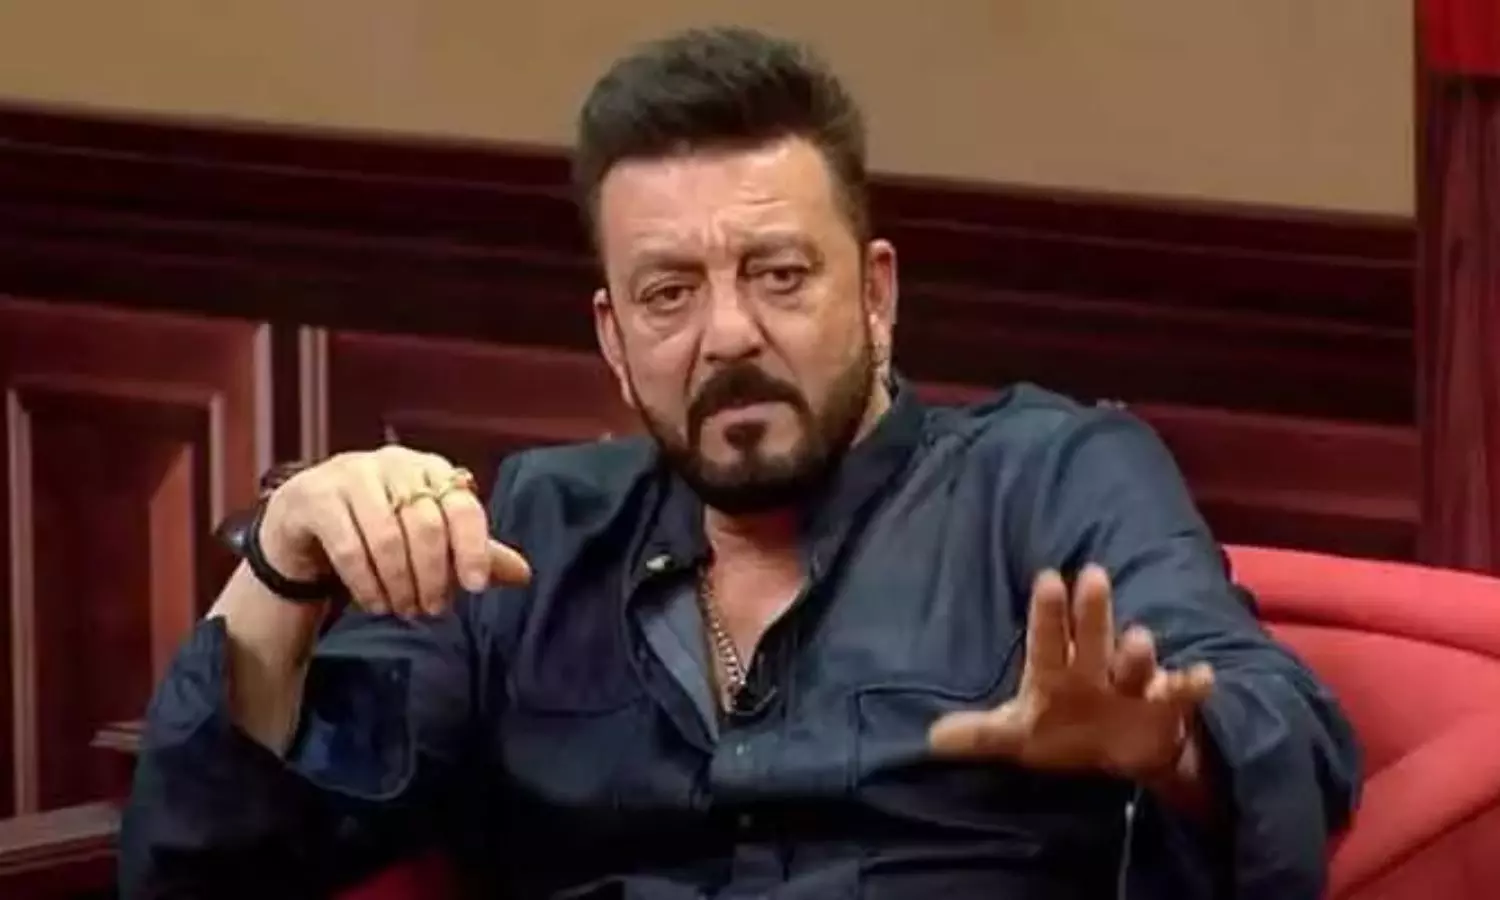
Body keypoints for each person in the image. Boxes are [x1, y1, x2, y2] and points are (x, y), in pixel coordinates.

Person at [119, 26, 1360, 900]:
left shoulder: (1048, 481)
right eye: (669, 292)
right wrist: (282, 569)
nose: (727, 334)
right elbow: (210, 855)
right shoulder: (529, 542)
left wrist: (1165, 748)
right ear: (614, 339)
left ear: (875, 295)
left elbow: (1290, 738)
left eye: (779, 275)